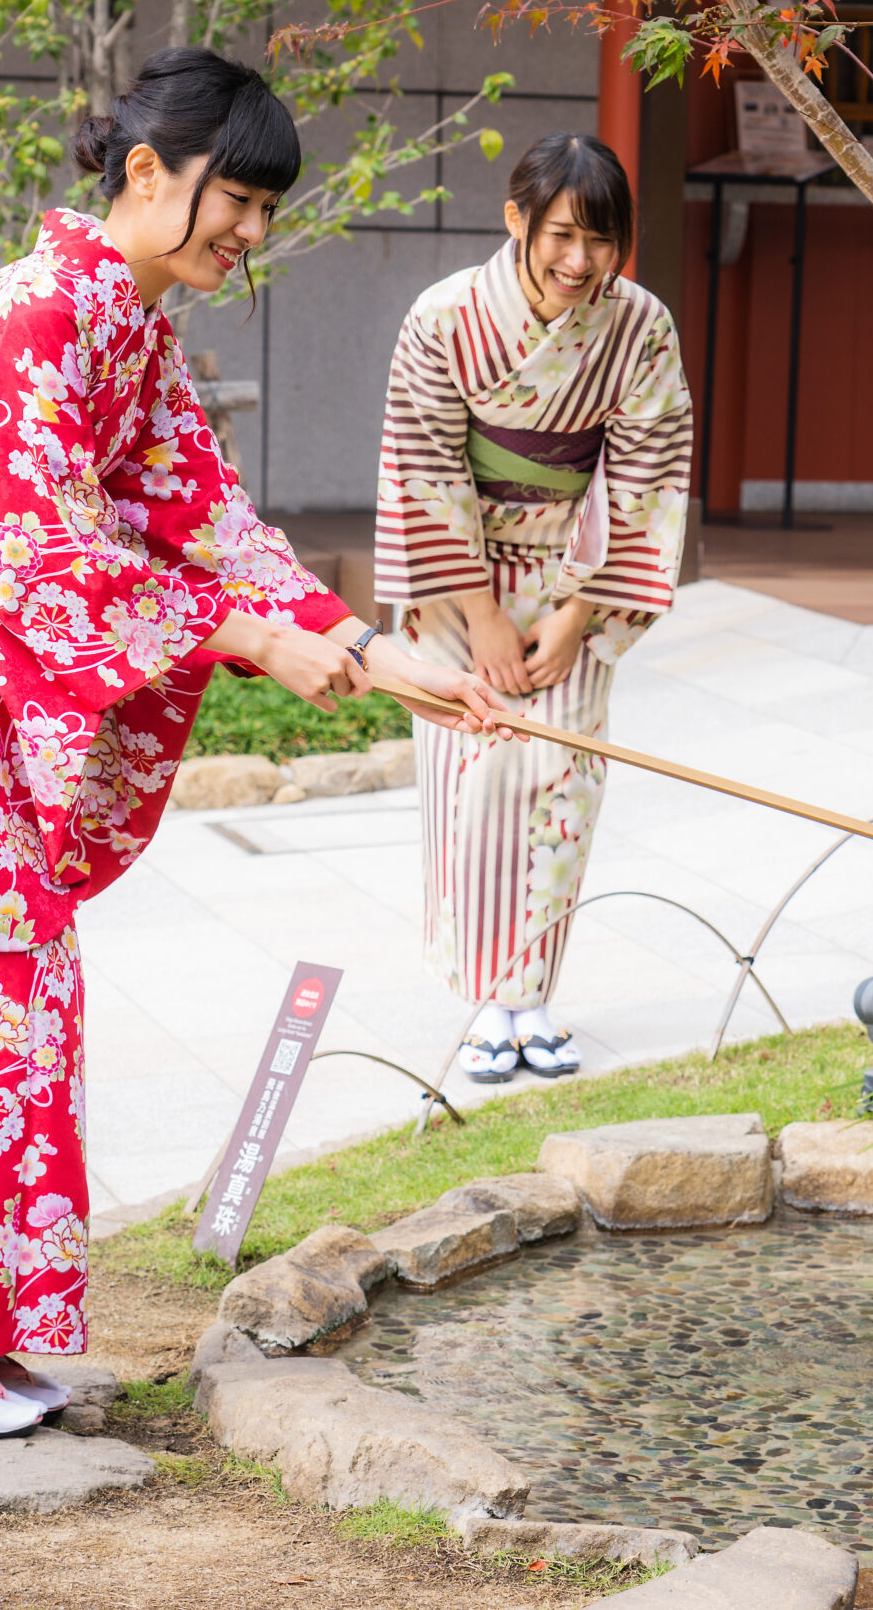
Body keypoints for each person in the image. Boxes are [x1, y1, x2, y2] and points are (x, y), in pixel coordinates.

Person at [0, 47, 503, 1441]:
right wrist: (248, 639)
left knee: (11, 978)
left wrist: (370, 645)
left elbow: (208, 522)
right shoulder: (30, 314)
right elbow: (50, 561)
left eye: (270, 209)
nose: (254, 231)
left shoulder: (127, 322)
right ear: (147, 172)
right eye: (240, 198)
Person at [374, 133, 693, 1085]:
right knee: (477, 786)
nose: (580, 260)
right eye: (561, 233)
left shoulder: (640, 327)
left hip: (572, 583)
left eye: (602, 240)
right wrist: (481, 618)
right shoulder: (444, 319)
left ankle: (536, 996)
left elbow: (643, 471)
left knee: (563, 785)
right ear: (516, 220)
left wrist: (575, 613)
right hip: (460, 587)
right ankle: (485, 1003)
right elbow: (426, 468)